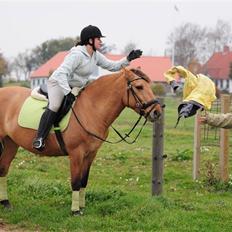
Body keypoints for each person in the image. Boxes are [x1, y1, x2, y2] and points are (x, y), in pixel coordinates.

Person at [33, 25, 143, 150]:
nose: (101, 41)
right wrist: (67, 92)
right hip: (58, 83)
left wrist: (128, 58)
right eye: (98, 39)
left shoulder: (95, 55)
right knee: (55, 106)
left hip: (75, 86)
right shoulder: (77, 55)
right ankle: (40, 138)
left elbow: (113, 66)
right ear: (90, 40)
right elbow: (62, 73)